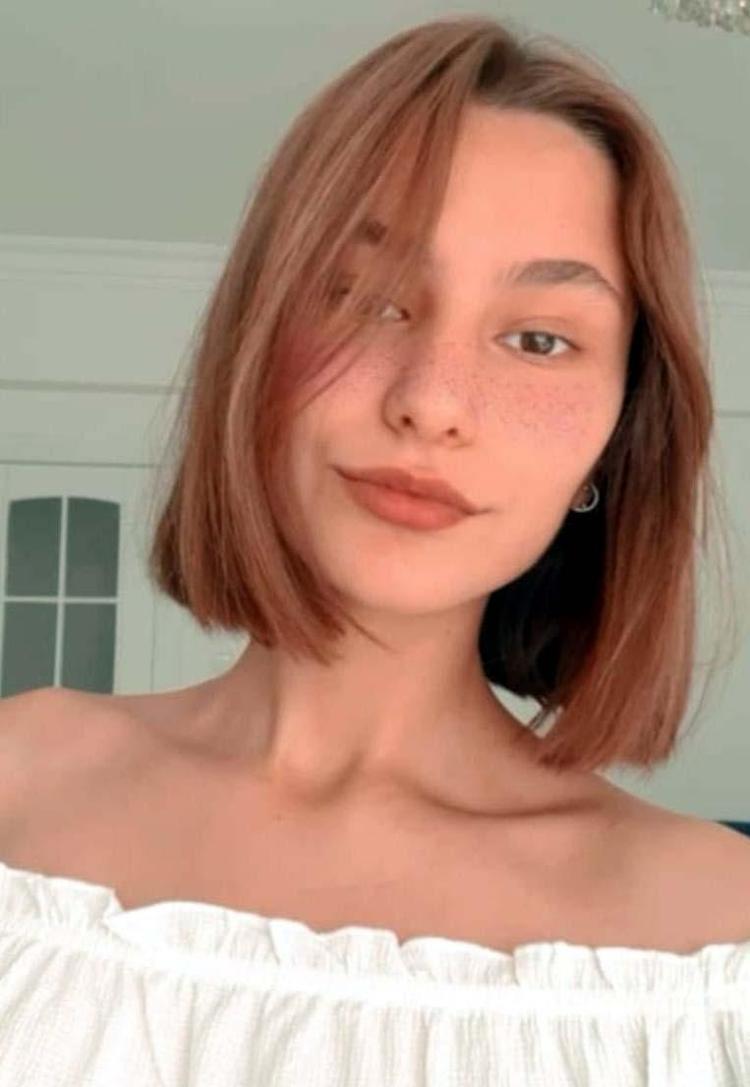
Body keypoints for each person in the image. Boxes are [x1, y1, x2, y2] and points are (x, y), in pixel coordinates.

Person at [0, 13, 748, 1086]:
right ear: (256, 342)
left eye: (538, 338)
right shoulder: (17, 782)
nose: (432, 401)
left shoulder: (719, 951)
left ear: (617, 435)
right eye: (367, 298)